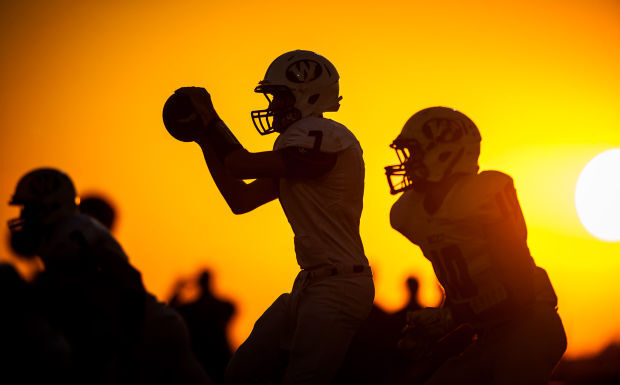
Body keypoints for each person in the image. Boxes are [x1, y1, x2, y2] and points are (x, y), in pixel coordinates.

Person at [173, 49, 374, 384]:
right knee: (242, 372)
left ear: (308, 95)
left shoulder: (324, 137)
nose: (273, 106)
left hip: (338, 285)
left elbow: (241, 165)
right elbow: (241, 198)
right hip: (312, 282)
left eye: (280, 96)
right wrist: (204, 139)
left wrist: (213, 123)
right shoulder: (303, 154)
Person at [385, 107, 567, 385]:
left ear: (443, 154)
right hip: (490, 334)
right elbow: (466, 286)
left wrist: (452, 317)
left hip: (531, 324)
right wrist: (434, 331)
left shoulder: (483, 194)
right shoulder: (412, 212)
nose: (408, 163)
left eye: (415, 153)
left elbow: (518, 292)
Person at [7, 168, 213, 385]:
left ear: (49, 205)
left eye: (27, 208)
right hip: (152, 328)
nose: (22, 216)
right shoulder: (62, 235)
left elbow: (128, 279)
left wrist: (129, 339)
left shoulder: (69, 236)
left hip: (146, 334)